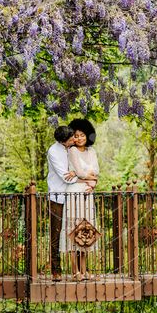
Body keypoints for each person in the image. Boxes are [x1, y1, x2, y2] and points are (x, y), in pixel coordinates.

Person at [60, 118, 100, 280]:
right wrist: (87, 177)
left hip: (88, 192)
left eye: (82, 135)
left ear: (88, 135)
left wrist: (91, 180)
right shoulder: (72, 151)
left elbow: (96, 170)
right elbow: (83, 172)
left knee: (86, 230)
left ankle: (84, 270)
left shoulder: (92, 152)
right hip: (74, 193)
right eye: (76, 135)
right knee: (73, 229)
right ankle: (75, 271)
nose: (79, 138)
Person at [46, 126, 78, 280]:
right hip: (57, 198)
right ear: (64, 140)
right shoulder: (54, 151)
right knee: (56, 234)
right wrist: (81, 175)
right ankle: (55, 270)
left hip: (71, 196)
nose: (74, 139)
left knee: (74, 231)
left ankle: (76, 269)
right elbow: (65, 176)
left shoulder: (69, 149)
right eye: (71, 137)